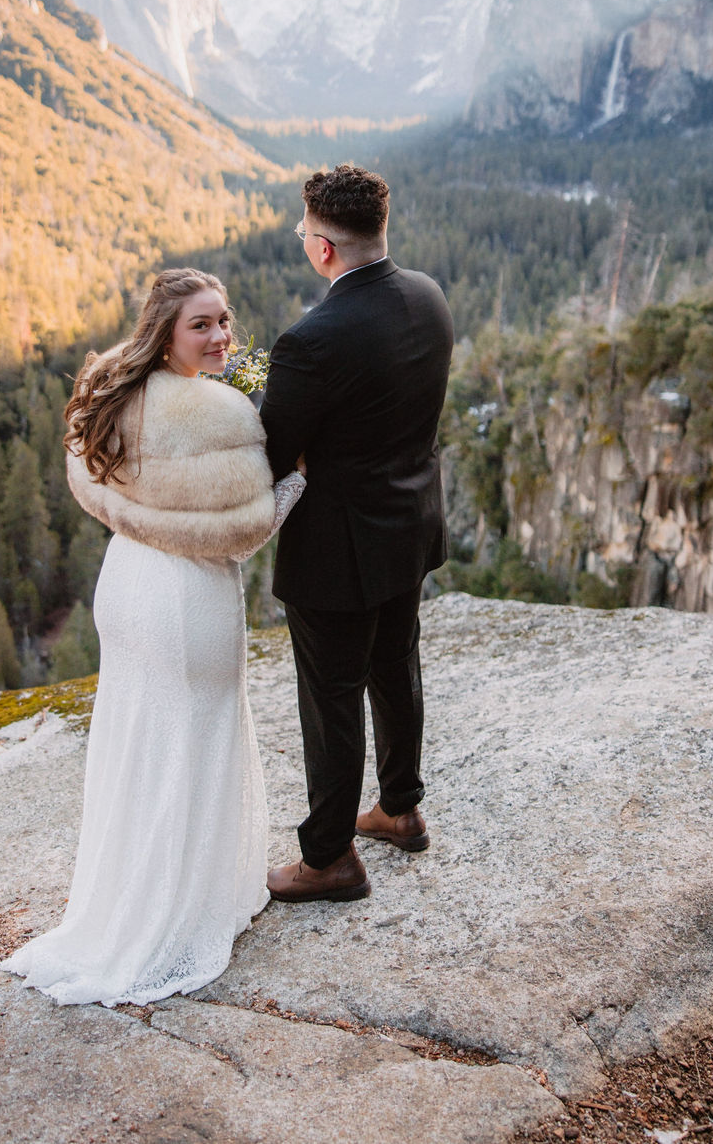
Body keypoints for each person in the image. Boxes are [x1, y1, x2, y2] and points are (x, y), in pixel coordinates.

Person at [1, 268, 304, 1005]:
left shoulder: (108, 390)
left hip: (128, 579)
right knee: (193, 743)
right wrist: (297, 478)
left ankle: (122, 903)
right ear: (165, 330)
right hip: (186, 596)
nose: (221, 336)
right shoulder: (223, 416)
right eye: (201, 324)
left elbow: (88, 480)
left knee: (139, 737)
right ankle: (178, 914)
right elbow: (243, 532)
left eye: (224, 320)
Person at [260, 164, 453, 903]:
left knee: (332, 695)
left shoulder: (311, 340)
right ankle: (401, 809)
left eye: (305, 232)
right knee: (396, 666)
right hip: (409, 529)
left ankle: (330, 856)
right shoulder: (429, 296)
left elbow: (274, 456)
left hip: (337, 550)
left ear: (323, 247)